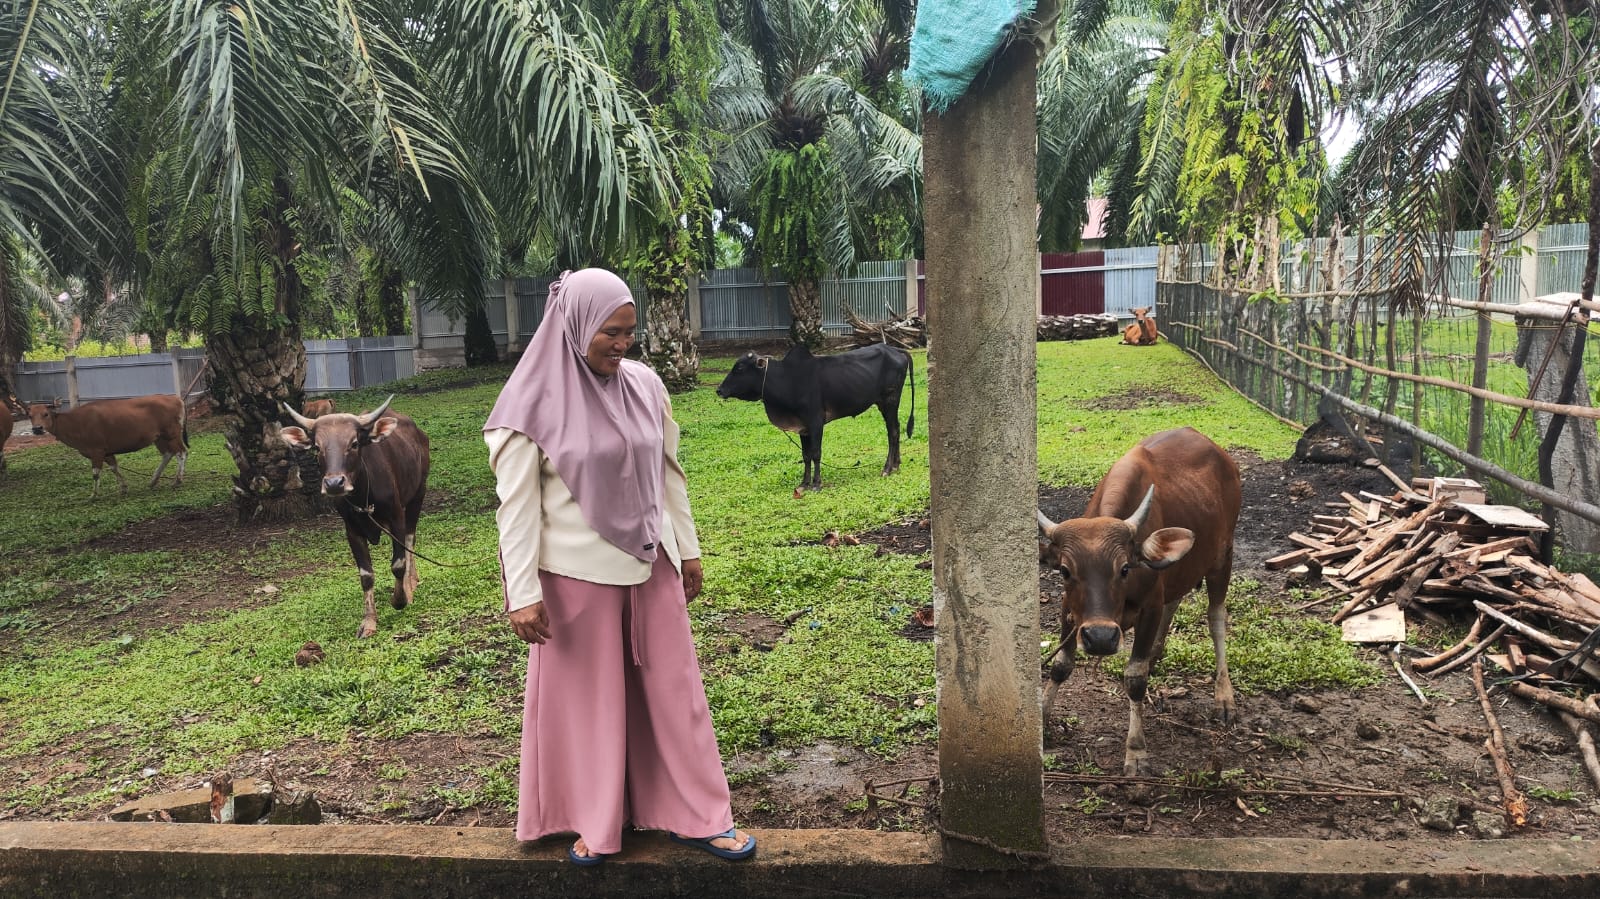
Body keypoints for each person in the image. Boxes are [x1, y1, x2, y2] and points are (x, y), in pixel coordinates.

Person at [484, 268, 755, 866]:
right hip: (576, 584)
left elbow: (668, 474)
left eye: (630, 332)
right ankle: (595, 819)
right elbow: (517, 512)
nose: (623, 344)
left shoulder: (646, 386)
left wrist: (687, 548)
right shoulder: (527, 408)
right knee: (592, 708)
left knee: (675, 697)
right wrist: (521, 593)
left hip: (651, 569)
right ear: (576, 325)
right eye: (611, 332)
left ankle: (700, 816)